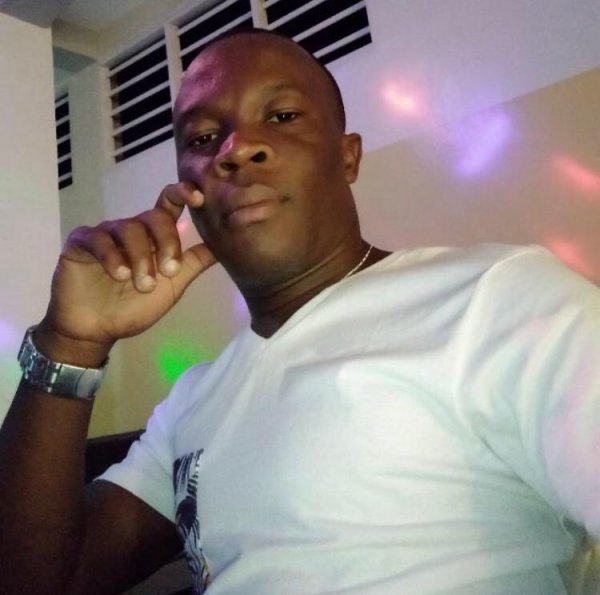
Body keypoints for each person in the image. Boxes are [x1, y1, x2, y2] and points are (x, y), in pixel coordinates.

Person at [0, 28, 599, 595]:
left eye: (282, 116)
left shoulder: (493, 298)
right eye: (202, 138)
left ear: (348, 156)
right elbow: (42, 580)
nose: (237, 149)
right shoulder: (192, 400)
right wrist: (69, 342)